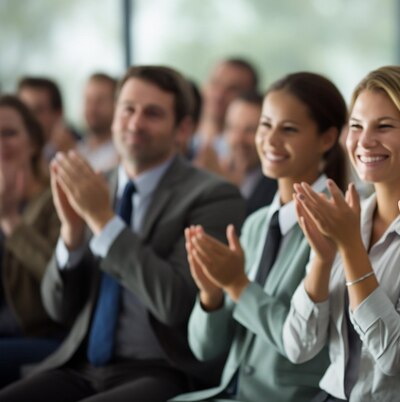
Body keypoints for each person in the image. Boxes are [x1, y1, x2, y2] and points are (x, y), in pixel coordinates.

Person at [0, 65, 246, 401]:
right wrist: (71, 236)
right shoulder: (97, 184)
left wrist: (103, 220)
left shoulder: (213, 196)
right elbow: (58, 309)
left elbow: (176, 305)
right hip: (81, 364)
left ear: (183, 129)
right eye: (127, 109)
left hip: (163, 368)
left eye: (153, 113)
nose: (135, 123)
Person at [283, 66, 400, 401]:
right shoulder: (350, 217)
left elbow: (394, 354)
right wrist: (323, 260)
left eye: (383, 126)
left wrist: (350, 249)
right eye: (356, 126)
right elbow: (298, 347)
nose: (364, 141)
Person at [172, 72, 347, 402]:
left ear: (326, 139)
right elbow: (205, 348)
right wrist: (212, 295)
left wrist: (238, 285)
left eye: (289, 129)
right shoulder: (254, 224)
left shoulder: (337, 224)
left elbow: (303, 343)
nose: (270, 140)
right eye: (265, 126)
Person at [0, 95, 63, 387]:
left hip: (46, 336)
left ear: (34, 143)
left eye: (8, 133)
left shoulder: (56, 199)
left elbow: (60, 275)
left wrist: (11, 220)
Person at [219, 91, 276, 215]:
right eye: (232, 128)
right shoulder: (214, 174)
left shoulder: (279, 188)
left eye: (250, 130)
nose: (238, 139)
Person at [192, 58, 258, 163]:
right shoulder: (179, 140)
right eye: (215, 83)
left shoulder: (249, 150)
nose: (219, 95)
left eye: (233, 89)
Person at [17, 77, 78, 162]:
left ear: (58, 114)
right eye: (23, 110)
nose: (28, 118)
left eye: (38, 110)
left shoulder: (78, 152)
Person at [76, 73, 119, 172]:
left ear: (116, 105)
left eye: (100, 101)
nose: (92, 108)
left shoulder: (121, 155)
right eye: (88, 100)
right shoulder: (78, 148)